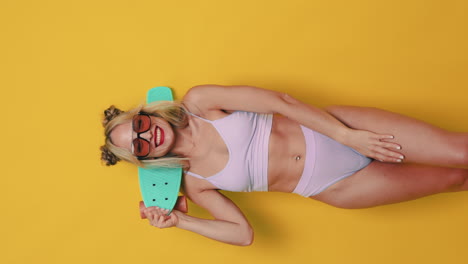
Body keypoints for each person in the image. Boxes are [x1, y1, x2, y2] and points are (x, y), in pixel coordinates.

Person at [100, 84, 468, 246]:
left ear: (145, 114)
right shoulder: (194, 183)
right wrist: (181, 220)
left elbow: (282, 101)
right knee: (456, 179)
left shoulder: (200, 102)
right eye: (139, 147)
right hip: (334, 185)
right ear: (145, 160)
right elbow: (242, 235)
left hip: (337, 131)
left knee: (461, 152)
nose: (148, 137)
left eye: (141, 127)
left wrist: (347, 136)